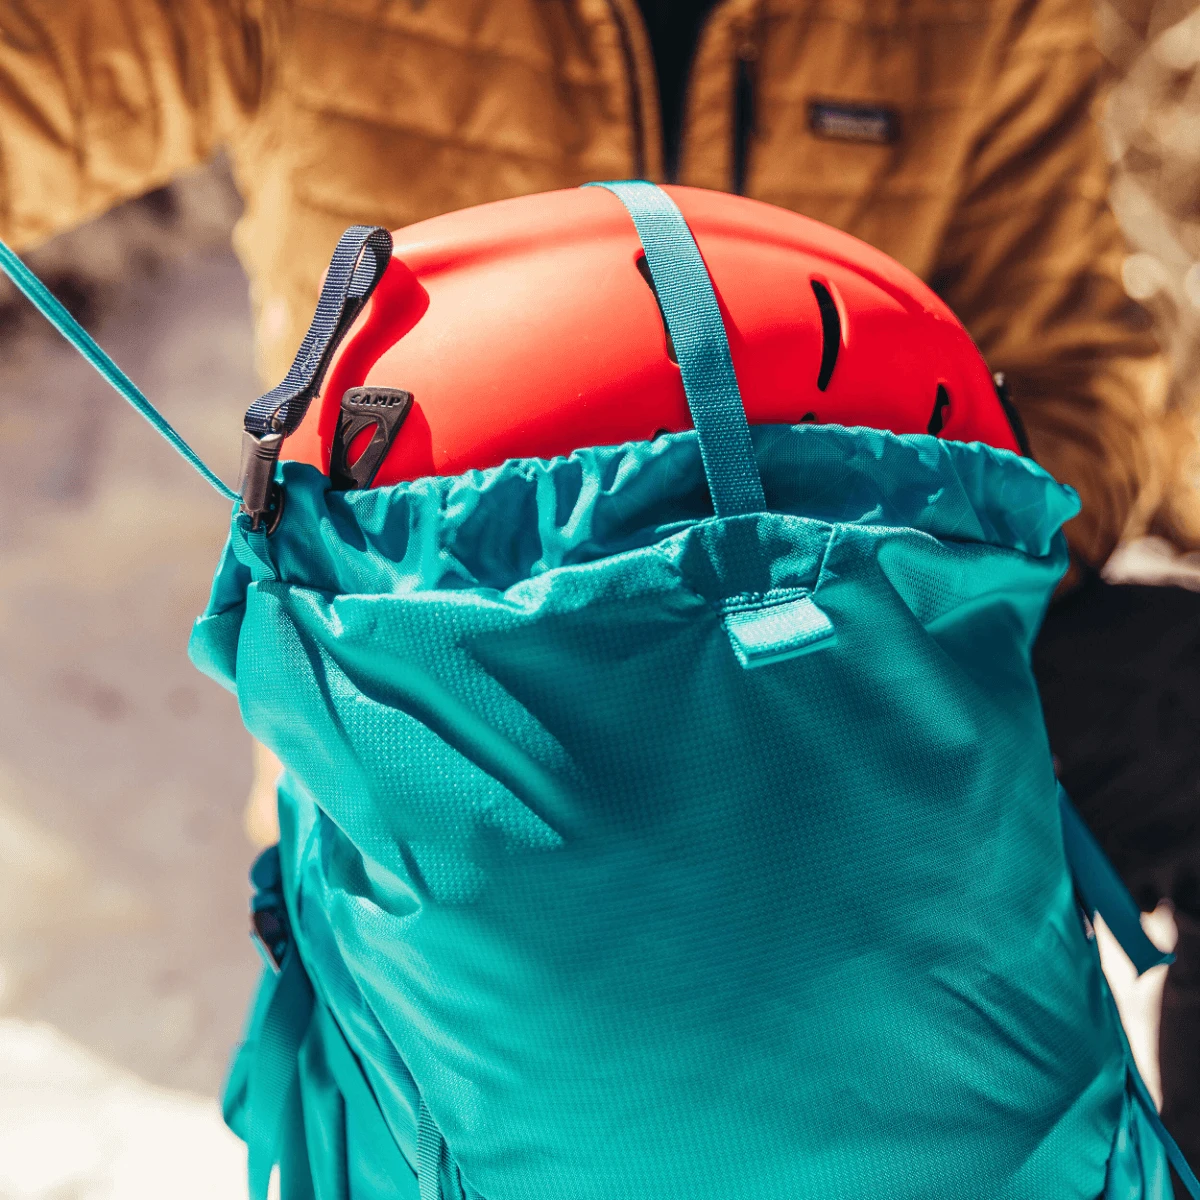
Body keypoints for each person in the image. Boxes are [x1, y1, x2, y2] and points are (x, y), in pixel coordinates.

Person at [2, 0, 1197, 1152]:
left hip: (847, 680)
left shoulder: (979, 14)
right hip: (458, 735)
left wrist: (881, 584)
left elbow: (1074, 381)